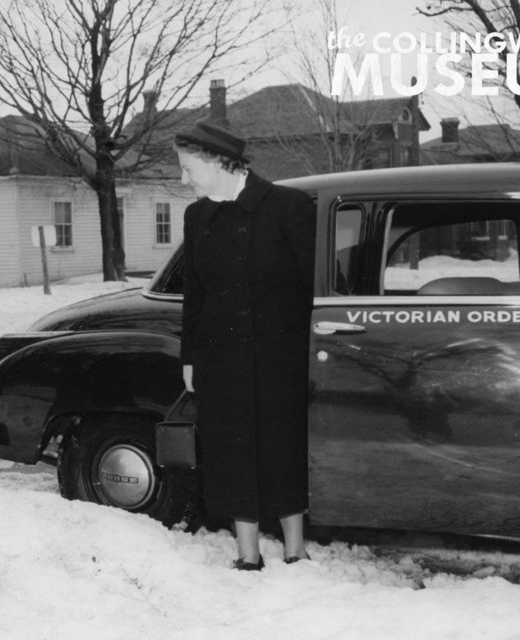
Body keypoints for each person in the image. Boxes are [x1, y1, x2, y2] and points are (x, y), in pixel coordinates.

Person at [175, 121, 316, 571]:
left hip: (280, 357)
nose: (184, 179)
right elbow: (194, 294)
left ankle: (295, 547)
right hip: (220, 358)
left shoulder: (288, 206)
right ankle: (247, 551)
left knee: (282, 446)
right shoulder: (197, 216)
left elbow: (314, 289)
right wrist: (190, 357)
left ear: (218, 161)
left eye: (188, 167)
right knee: (231, 451)